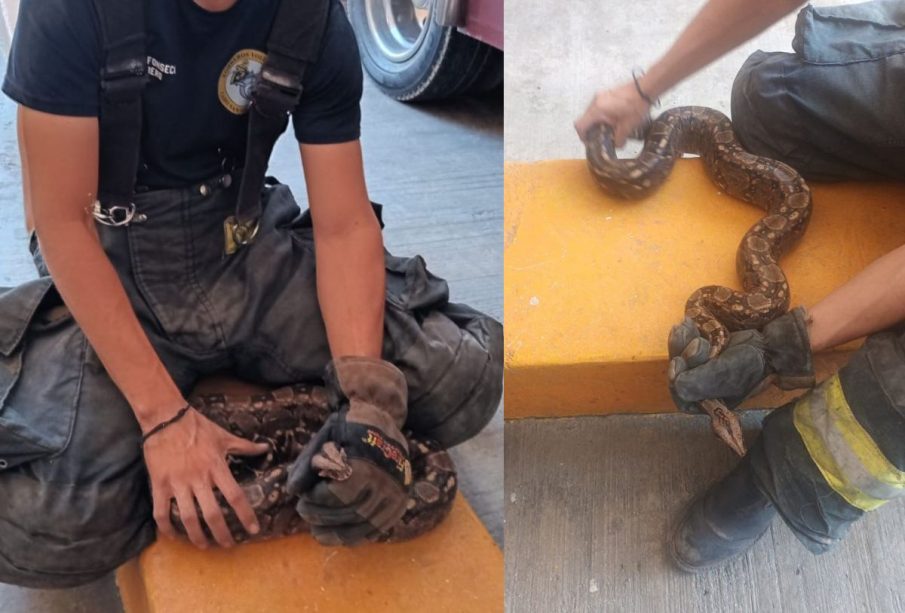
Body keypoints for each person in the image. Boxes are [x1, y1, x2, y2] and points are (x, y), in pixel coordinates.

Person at [0, 0, 502, 588]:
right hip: (113, 268)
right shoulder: (71, 9)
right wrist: (162, 418)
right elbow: (62, 225)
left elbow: (344, 224)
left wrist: (369, 406)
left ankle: (219, 408)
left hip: (243, 249)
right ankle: (194, 408)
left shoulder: (311, 17)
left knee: (465, 379)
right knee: (37, 525)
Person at [575, 0, 905, 570]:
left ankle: (785, 476)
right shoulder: (716, 303)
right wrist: (645, 88)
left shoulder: (724, 300)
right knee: (760, 98)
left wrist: (790, 341)